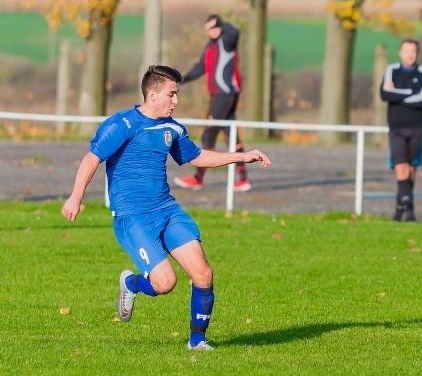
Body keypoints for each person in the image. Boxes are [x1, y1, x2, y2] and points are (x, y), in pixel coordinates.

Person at [61, 65, 271, 351]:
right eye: (171, 94)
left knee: (203, 274)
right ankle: (132, 284)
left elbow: (197, 157)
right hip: (133, 218)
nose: (176, 101)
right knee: (166, 283)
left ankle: (198, 342)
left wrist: (241, 157)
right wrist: (76, 196)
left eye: (177, 94)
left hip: (167, 211)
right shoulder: (122, 124)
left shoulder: (173, 128)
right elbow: (92, 158)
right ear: (152, 94)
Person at [174, 14, 252, 192]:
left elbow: (235, 31)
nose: (210, 32)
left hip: (225, 94)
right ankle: (244, 179)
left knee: (209, 134)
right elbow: (199, 68)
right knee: (231, 135)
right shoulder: (210, 46)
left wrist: (221, 24)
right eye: (207, 29)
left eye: (212, 27)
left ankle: (198, 178)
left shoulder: (227, 40)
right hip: (217, 95)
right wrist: (181, 80)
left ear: (218, 27)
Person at [380, 38, 422, 222]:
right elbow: (384, 94)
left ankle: (405, 208)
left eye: (413, 51)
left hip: (416, 126)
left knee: (411, 167)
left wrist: (397, 94)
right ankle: (404, 201)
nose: (409, 55)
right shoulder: (392, 71)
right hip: (396, 126)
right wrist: (410, 91)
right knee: (400, 165)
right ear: (400, 52)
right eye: (406, 51)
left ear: (417, 53)